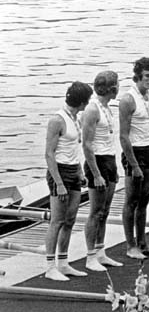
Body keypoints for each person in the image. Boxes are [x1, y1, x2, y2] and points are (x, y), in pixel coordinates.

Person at [44, 81, 93, 281]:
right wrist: (59, 183)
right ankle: (50, 266)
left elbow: (74, 148)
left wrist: (80, 171)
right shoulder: (57, 120)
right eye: (87, 101)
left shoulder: (77, 118)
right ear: (81, 101)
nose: (88, 104)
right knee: (56, 221)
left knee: (70, 220)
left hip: (73, 170)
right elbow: (49, 154)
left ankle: (63, 263)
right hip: (60, 172)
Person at [119, 57, 149, 259]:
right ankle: (130, 245)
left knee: (144, 200)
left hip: (148, 151)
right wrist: (134, 164)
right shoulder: (128, 100)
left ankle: (143, 242)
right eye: (147, 76)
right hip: (134, 153)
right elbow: (123, 136)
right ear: (138, 76)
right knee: (131, 201)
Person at [81, 71, 123, 271]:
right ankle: (90, 256)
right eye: (117, 85)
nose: (118, 89)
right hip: (96, 161)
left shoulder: (107, 108)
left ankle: (100, 251)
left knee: (105, 211)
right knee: (95, 212)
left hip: (109, 158)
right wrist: (96, 174)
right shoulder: (92, 109)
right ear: (111, 88)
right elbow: (87, 145)